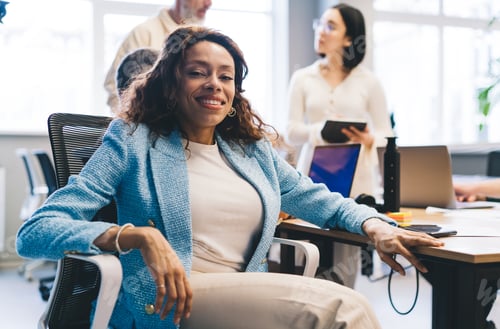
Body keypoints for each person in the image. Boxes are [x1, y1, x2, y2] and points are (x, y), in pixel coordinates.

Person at [17, 26, 444, 329]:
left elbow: (318, 198)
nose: (215, 85)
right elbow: (36, 231)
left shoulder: (250, 150)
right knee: (344, 309)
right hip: (171, 298)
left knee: (343, 306)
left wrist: (375, 225)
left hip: (243, 288)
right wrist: (135, 236)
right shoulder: (132, 140)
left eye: (226, 76)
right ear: (170, 81)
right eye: (198, 71)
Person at [286, 3, 394, 288]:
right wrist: (321, 130)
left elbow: (387, 134)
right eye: (321, 24)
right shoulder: (302, 78)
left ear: (349, 38)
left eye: (331, 26)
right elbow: (291, 131)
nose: (321, 31)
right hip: (312, 175)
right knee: (308, 262)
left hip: (356, 179)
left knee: (345, 268)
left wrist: (370, 139)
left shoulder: (369, 81)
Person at [104, 0, 212, 113]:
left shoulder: (204, 41)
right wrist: (136, 124)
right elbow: (115, 89)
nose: (208, 4)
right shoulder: (144, 33)